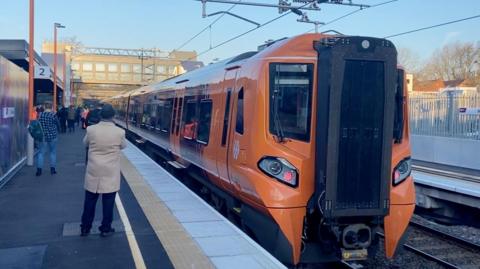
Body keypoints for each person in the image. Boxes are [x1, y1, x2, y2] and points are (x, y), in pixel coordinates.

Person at [80, 103, 127, 237]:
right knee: (108, 202)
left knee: (89, 201)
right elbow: (124, 146)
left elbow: (85, 144)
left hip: (94, 170)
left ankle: (85, 228)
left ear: (100, 116)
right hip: (110, 172)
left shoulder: (91, 130)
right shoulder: (119, 132)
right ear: (113, 116)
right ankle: (105, 228)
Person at [36, 102, 60, 176]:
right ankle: (52, 170)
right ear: (51, 107)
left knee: (41, 153)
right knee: (53, 152)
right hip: (52, 136)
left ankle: (39, 171)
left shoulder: (40, 115)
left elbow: (38, 124)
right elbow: (58, 124)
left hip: (43, 136)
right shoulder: (53, 115)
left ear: (44, 107)